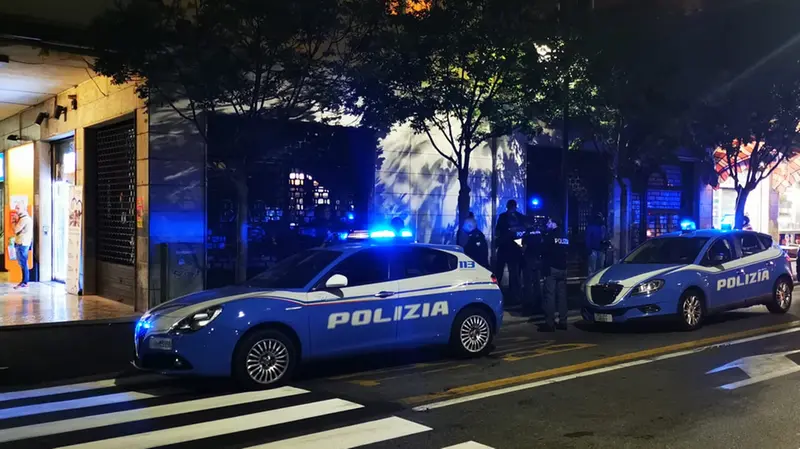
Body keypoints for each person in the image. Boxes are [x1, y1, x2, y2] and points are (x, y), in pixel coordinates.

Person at [541, 215, 569, 331]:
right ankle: (563, 321)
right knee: (562, 296)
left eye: (549, 222)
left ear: (553, 223)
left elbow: (544, 252)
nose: (547, 224)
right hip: (563, 268)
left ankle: (550, 323)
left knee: (550, 296)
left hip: (552, 269)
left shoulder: (550, 236)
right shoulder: (564, 235)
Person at [494, 200, 524, 304]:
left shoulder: (503, 217)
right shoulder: (519, 217)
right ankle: (515, 296)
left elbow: (497, 231)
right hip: (513, 249)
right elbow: (522, 233)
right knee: (514, 274)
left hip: (505, 248)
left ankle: (496, 294)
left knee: (501, 272)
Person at [521, 214, 544, 316]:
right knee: (537, 283)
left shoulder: (526, 234)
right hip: (537, 260)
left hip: (528, 261)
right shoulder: (539, 232)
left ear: (526, 223)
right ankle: (539, 302)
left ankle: (529, 304)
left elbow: (523, 248)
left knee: (528, 284)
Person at [13, 207, 33, 289]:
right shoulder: (24, 218)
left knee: (23, 263)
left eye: (18, 208)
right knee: (23, 263)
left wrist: (14, 221)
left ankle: (25, 281)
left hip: (22, 243)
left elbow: (15, 230)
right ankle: (24, 281)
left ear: (23, 209)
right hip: (23, 243)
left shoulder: (24, 219)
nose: (16, 210)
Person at [585, 212, 607, 276]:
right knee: (593, 268)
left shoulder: (603, 227)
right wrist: (589, 249)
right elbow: (588, 239)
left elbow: (605, 237)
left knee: (599, 268)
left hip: (600, 250)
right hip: (593, 250)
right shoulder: (591, 227)